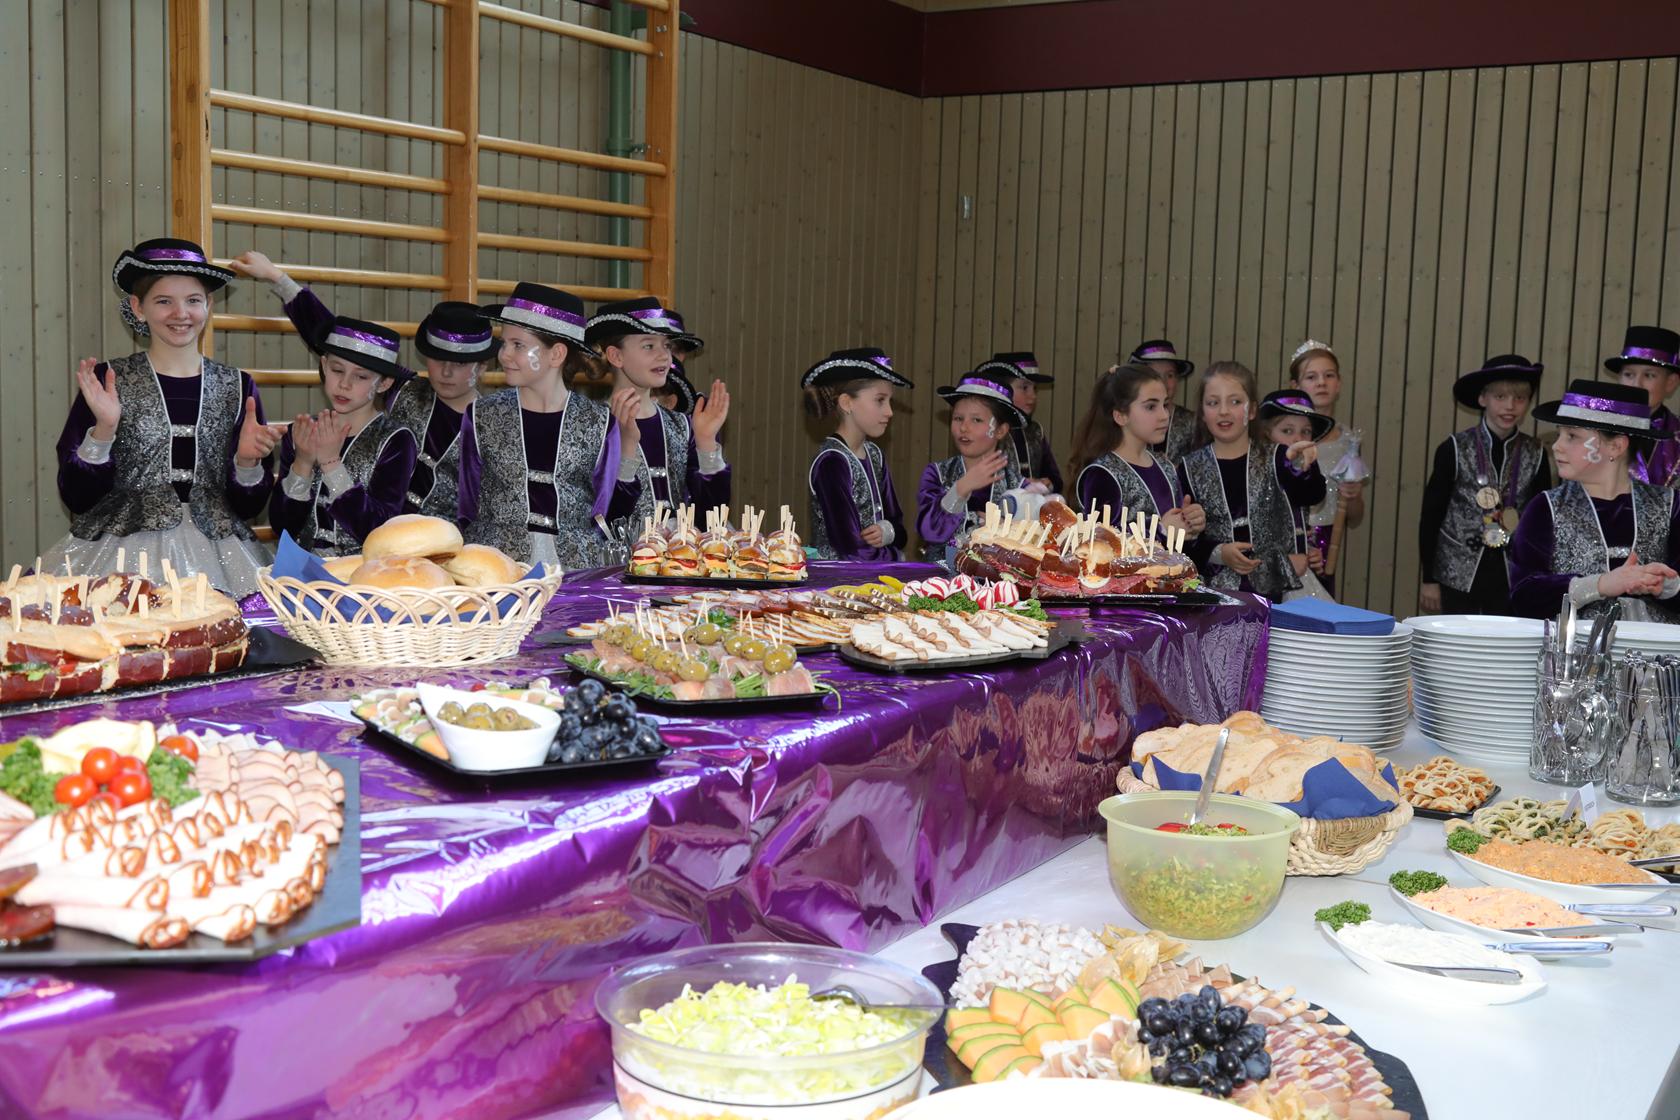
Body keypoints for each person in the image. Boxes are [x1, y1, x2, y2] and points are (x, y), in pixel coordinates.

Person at [44, 239, 280, 595]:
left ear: (209, 304)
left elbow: (248, 507)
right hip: (120, 558)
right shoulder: (107, 381)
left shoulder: (238, 386)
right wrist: (104, 430)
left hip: (221, 560)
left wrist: (247, 464)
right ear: (138, 307)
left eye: (193, 300)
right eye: (164, 301)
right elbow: (77, 498)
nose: (180, 313)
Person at [229, 250, 496, 520]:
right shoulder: (408, 391)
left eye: (460, 363)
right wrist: (277, 278)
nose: (447, 371)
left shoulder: (493, 426)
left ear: (482, 366)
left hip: (446, 540)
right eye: (438, 359)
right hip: (375, 530)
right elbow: (344, 345)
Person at [458, 282, 631, 569]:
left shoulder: (598, 422)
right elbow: (467, 507)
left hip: (575, 573)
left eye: (518, 345)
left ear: (556, 354)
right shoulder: (480, 415)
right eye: (504, 343)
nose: (503, 354)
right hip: (499, 570)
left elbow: (605, 511)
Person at [1508, 379, 1680, 622]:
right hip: (1574, 645)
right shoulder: (1546, 508)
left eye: (1572, 436)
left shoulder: (1670, 505)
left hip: (1655, 646)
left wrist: (1666, 586)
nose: (1556, 446)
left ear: (1616, 446)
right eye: (1559, 434)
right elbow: (1522, 595)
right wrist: (1599, 585)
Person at [1177, 361, 1326, 601]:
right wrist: (1220, 553)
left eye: (1235, 402)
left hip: (1278, 593)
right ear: (1203, 413)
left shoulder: (1278, 457)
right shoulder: (1188, 468)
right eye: (1213, 403)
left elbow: (1312, 494)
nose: (1224, 411)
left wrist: (1303, 467)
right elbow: (1184, 541)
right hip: (1217, 596)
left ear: (1253, 410)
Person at [268, 318, 418, 557]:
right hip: (299, 570)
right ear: (324, 365)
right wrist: (303, 463)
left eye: (361, 376)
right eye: (337, 370)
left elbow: (379, 531)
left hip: (363, 573)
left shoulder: (396, 440)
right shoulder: (302, 433)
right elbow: (282, 526)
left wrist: (331, 465)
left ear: (384, 383)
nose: (344, 384)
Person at [1418, 355, 1550, 616]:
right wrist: (1429, 579)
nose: (1510, 406)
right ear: (1482, 399)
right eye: (1500, 397)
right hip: (1457, 574)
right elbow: (1431, 516)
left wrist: (1539, 579)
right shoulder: (1454, 448)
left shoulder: (1536, 453)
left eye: (1519, 398)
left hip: (1512, 576)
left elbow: (1542, 524)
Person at [588, 297, 731, 539]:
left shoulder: (681, 426)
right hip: (623, 560)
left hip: (678, 557)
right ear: (616, 356)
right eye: (649, 346)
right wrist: (626, 451)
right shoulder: (592, 425)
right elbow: (602, 525)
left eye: (666, 345)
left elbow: (712, 520)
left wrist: (706, 442)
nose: (664, 356)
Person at [1067, 364, 1201, 540]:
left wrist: (1190, 523)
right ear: (1121, 416)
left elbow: (1179, 542)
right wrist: (1162, 530)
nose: (1164, 415)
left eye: (1165, 405)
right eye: (1151, 407)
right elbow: (1102, 542)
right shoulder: (1103, 473)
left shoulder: (1165, 466)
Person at [803, 347, 912, 561]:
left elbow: (900, 531)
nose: (889, 411)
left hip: (872, 573)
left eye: (889, 401)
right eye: (880, 400)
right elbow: (851, 550)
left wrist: (888, 532)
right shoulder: (832, 462)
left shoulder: (874, 455)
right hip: (837, 578)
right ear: (847, 403)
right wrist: (897, 559)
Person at [917, 372, 1025, 561]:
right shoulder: (937, 474)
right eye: (958, 418)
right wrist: (961, 489)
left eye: (976, 420)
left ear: (1000, 430)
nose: (964, 428)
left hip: (998, 579)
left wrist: (1005, 530)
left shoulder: (1018, 486)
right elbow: (928, 531)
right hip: (942, 577)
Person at [1288, 339, 1367, 595]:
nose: (1321, 382)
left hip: (1327, 541)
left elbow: (1355, 516)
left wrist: (1353, 496)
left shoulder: (1349, 441)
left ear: (1338, 383)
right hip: (1290, 537)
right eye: (1311, 377)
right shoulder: (1286, 437)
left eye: (1329, 375)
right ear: (1296, 386)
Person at [1257, 389, 1336, 601]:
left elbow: (1311, 498)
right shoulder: (1258, 472)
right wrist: (1284, 560)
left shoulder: (1304, 473)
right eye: (1287, 430)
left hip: (1300, 574)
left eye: (1305, 432)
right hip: (1263, 580)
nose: (1297, 439)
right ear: (1267, 433)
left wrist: (1309, 550)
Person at [1606, 325, 1680, 488]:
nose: (1636, 384)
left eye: (1649, 375)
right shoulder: (1598, 430)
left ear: (1671, 383)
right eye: (1628, 374)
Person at [977, 351, 1061, 493]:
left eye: (1035, 389)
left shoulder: (1035, 432)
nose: (1033, 396)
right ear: (1002, 389)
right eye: (1024, 388)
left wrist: (1048, 484)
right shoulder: (988, 432)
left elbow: (1055, 478)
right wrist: (1022, 485)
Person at [1128, 340, 1197, 465]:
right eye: (1154, 375)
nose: (1163, 383)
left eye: (1170, 375)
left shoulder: (1192, 423)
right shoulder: (1127, 420)